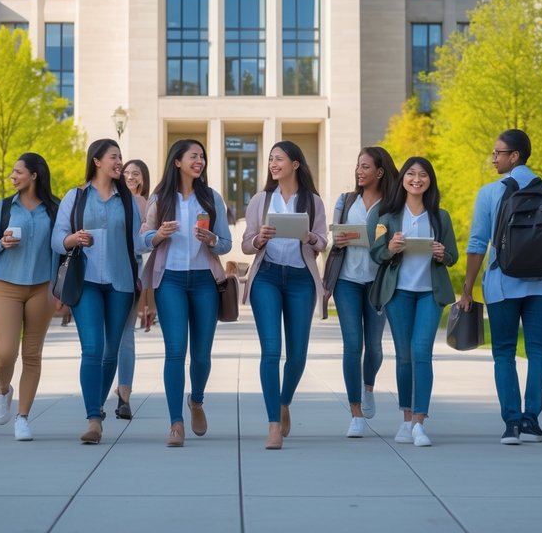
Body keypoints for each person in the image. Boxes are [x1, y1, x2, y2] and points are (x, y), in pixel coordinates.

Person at [459, 130, 542, 445]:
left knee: (504, 353)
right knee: (538, 352)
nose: (494, 158)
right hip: (541, 286)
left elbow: (477, 244)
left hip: (501, 285)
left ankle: (512, 423)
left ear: (515, 156)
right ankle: (532, 420)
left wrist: (467, 289)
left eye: (498, 153)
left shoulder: (490, 193)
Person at [142, 140, 233, 447]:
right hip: (170, 281)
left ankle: (196, 400)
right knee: (175, 350)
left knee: (202, 355)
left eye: (202, 156)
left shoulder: (211, 197)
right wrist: (157, 235)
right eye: (193, 156)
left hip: (205, 281)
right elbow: (142, 239)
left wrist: (212, 239)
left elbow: (226, 244)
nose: (200, 161)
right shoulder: (160, 198)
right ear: (177, 161)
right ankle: (175, 423)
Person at [53, 139, 142, 445]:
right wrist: (73, 239)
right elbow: (56, 239)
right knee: (92, 348)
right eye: (114, 157)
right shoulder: (76, 196)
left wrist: (158, 237)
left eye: (120, 156)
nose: (119, 162)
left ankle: (98, 406)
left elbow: (137, 242)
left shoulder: (126, 200)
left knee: (110, 351)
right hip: (86, 281)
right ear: (97, 161)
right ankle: (94, 419)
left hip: (121, 283)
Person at [241, 140, 328, 450]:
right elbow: (246, 245)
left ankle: (284, 401)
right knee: (271, 351)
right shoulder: (261, 200)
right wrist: (259, 239)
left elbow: (323, 243)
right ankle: (273, 425)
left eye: (279, 159)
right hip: (266, 277)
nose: (273, 164)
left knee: (298, 355)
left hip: (301, 280)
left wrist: (310, 236)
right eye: (270, 160)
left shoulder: (313, 201)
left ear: (295, 164)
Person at [370, 156, 459, 448]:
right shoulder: (387, 217)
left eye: (423, 175)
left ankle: (420, 421)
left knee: (422, 351)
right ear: (403, 179)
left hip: (429, 294)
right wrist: (390, 248)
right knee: (404, 355)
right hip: (399, 293)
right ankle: (406, 419)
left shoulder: (440, 217)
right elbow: (376, 254)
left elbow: (452, 256)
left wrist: (442, 254)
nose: (416, 179)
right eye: (411, 174)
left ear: (430, 181)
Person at [0, 153, 61, 441]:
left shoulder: (54, 209)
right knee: (5, 354)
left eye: (18, 172)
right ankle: (4, 390)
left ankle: (23, 417)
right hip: (8, 287)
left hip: (42, 287)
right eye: (12, 172)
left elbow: (62, 248)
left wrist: (59, 290)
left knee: (32, 354)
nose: (13, 176)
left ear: (34, 175)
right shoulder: (3, 207)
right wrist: (1, 243)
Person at [328, 146, 397, 439]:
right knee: (352, 344)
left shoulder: (392, 205)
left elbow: (395, 240)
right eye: (358, 166)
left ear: (380, 172)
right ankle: (355, 412)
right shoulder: (346, 201)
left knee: (375, 345)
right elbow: (334, 235)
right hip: (347, 280)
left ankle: (368, 386)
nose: (359, 171)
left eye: (365, 166)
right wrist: (339, 239)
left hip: (378, 281)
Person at [112, 158, 153, 419]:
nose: (130, 177)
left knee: (124, 336)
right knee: (117, 338)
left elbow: (147, 245)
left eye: (136, 173)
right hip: (112, 273)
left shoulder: (143, 204)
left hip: (131, 273)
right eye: (126, 172)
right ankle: (119, 392)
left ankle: (123, 394)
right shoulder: (114, 199)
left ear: (143, 179)